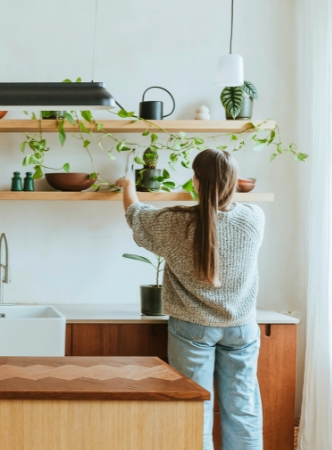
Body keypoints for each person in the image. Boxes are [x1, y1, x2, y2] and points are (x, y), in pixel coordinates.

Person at [116, 149, 265, 450]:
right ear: (234, 181)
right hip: (241, 328)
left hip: (192, 328)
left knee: (193, 408)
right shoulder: (254, 218)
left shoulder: (174, 223)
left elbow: (136, 216)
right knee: (243, 409)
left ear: (195, 181)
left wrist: (128, 186)